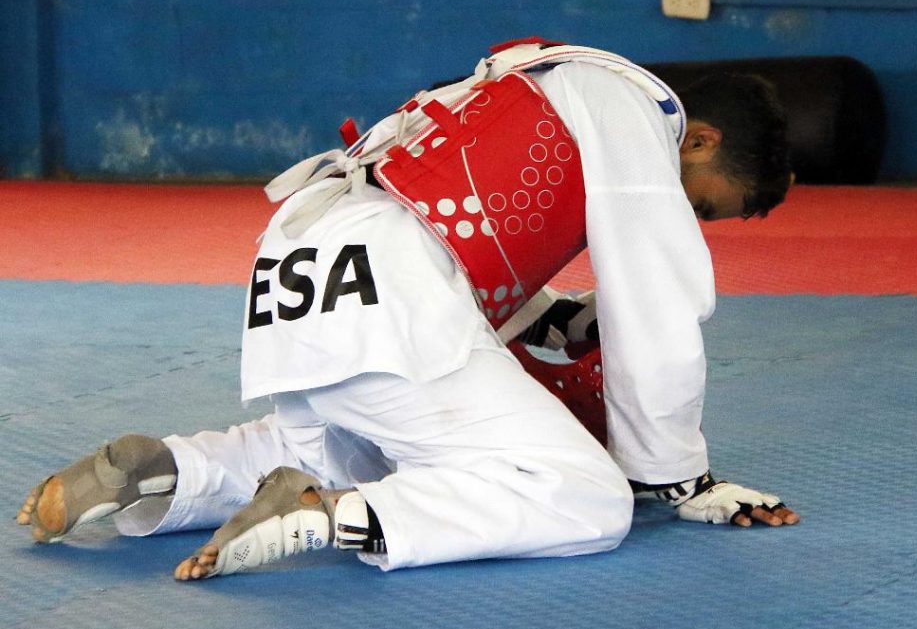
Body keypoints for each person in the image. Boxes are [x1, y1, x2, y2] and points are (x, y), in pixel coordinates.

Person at [16, 40, 799, 580]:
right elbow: (656, 308)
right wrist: (678, 478)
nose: (686, 217)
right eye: (700, 204)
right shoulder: (639, 114)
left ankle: (168, 470)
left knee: (344, 444)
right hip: (389, 286)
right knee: (588, 496)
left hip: (300, 261)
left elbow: (458, 222)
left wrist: (554, 315)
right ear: (699, 141)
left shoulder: (541, 75)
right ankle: (328, 517)